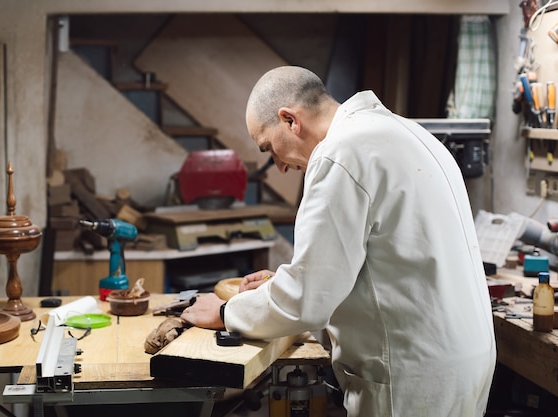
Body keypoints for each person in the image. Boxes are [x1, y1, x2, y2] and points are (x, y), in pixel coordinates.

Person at [181, 66, 496, 417]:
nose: (280, 167)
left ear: (290, 120)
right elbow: (385, 258)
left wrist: (226, 313)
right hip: (460, 361)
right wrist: (280, 284)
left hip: (412, 375)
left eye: (270, 148)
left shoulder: (339, 155)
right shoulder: (403, 132)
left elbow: (308, 299)